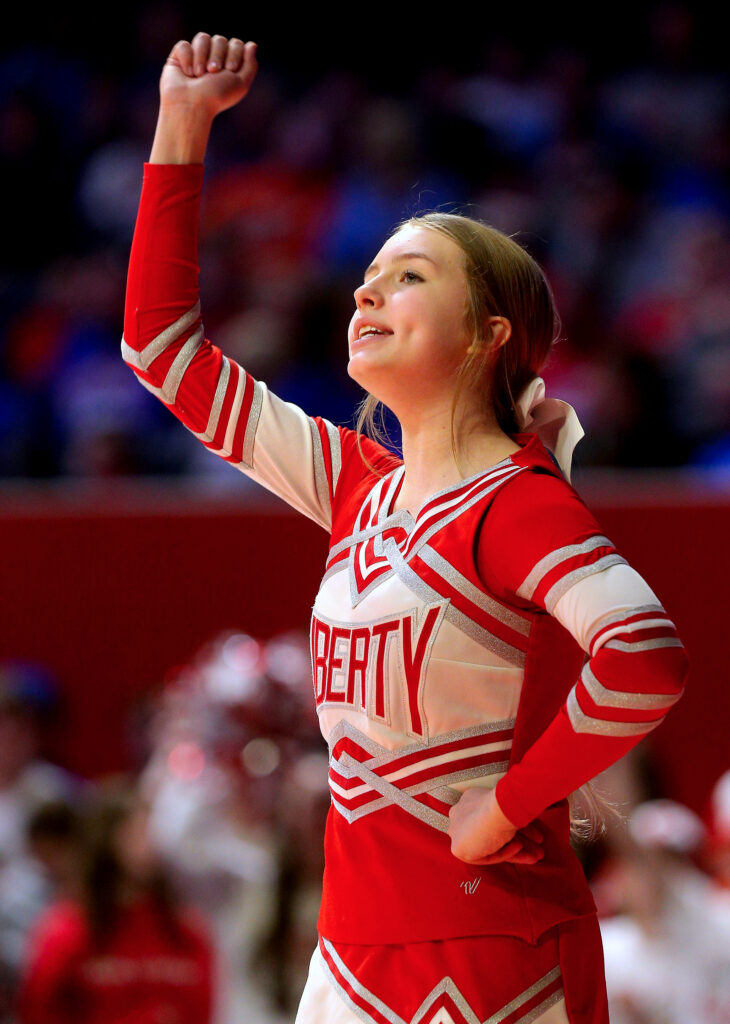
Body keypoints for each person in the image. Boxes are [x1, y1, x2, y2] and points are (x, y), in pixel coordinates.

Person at [120, 32, 690, 1024]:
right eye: (370, 275)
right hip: (346, 952)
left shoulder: (516, 503)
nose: (366, 291)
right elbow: (160, 350)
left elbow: (643, 658)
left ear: (486, 335)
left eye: (410, 276)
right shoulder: (355, 485)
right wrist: (181, 123)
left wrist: (507, 805)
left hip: (492, 954)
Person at [17, 789, 214, 1024]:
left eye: (150, 832)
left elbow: (202, 1008)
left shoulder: (185, 931)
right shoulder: (67, 930)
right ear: (105, 840)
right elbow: (39, 1008)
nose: (148, 845)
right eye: (135, 834)